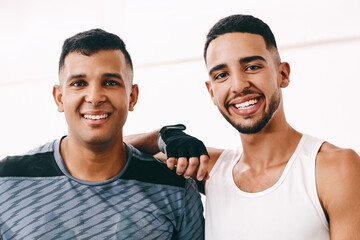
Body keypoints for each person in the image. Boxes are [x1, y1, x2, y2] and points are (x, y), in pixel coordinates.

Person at [126, 15, 360, 239]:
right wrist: (164, 135)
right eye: (222, 75)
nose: (238, 85)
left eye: (251, 67)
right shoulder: (210, 170)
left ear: (283, 74)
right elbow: (106, 149)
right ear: (211, 92)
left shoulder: (334, 168)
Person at [0, 29, 204, 240]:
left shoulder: (175, 188)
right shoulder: (6, 180)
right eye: (79, 83)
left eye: (110, 82)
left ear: (132, 97)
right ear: (59, 98)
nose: (95, 97)